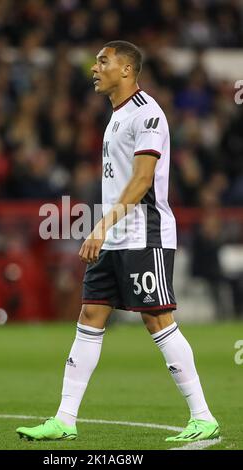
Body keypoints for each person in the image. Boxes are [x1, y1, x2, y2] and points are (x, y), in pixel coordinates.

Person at [16, 41, 220, 443]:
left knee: (157, 319)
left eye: (103, 61)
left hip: (145, 233)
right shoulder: (115, 117)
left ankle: (203, 415)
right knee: (90, 316)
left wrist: (101, 226)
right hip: (113, 235)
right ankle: (64, 419)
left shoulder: (148, 114)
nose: (94, 67)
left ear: (127, 70)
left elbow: (143, 180)